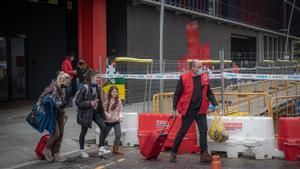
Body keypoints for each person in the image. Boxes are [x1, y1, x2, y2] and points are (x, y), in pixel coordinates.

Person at [170, 59, 219, 163]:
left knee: (203, 131)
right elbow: (177, 94)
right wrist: (174, 109)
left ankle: (204, 154)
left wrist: (215, 103)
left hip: (201, 110)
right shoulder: (184, 78)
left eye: (202, 67)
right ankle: (173, 152)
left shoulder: (204, 77)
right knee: (182, 132)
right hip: (188, 110)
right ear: (192, 68)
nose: (202, 69)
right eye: (199, 67)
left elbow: (209, 92)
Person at [76, 71, 110, 158]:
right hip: (86, 113)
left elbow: (99, 102)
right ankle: (82, 150)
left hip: (95, 113)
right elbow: (78, 102)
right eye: (96, 77)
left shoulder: (98, 87)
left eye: (98, 78)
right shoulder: (85, 88)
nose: (98, 79)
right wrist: (90, 103)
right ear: (91, 77)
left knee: (104, 127)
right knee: (84, 132)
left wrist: (104, 113)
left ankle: (101, 148)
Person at [40, 71, 71, 162]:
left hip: (60, 114)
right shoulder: (51, 88)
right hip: (51, 115)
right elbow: (41, 99)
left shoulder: (62, 89)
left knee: (61, 134)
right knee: (56, 134)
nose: (67, 85)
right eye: (67, 82)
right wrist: (54, 103)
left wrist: (62, 109)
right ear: (61, 80)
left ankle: (56, 154)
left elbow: (61, 103)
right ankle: (46, 149)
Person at [103, 86, 124, 155]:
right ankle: (101, 147)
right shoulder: (107, 100)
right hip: (108, 121)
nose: (115, 93)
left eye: (116, 92)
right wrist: (107, 115)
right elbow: (103, 110)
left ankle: (115, 149)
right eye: (113, 92)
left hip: (116, 121)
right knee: (104, 135)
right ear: (110, 92)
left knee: (118, 134)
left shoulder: (119, 100)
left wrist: (120, 116)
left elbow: (121, 110)